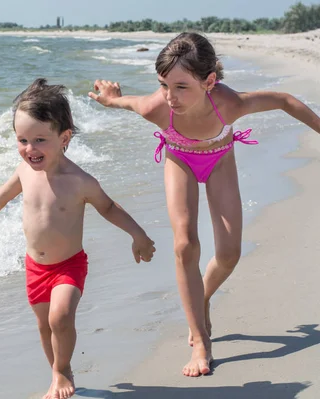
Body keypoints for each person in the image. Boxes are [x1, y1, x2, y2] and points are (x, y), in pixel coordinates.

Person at [88, 32, 320, 377]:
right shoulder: (157, 108)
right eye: (164, 84)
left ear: (209, 81)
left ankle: (202, 296)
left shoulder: (230, 103)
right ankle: (200, 339)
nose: (170, 96)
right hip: (179, 161)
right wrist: (111, 99)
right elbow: (129, 103)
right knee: (185, 244)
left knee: (229, 254)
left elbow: (285, 100)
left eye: (181, 87)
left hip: (219, 160)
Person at [0, 78, 156, 398]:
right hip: (35, 267)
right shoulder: (24, 170)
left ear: (64, 138)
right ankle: (55, 371)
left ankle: (63, 370)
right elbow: (4, 193)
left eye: (39, 139)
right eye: (22, 139)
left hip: (69, 266)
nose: (29, 149)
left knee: (60, 317)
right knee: (45, 326)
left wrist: (138, 236)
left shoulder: (79, 181)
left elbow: (109, 208)